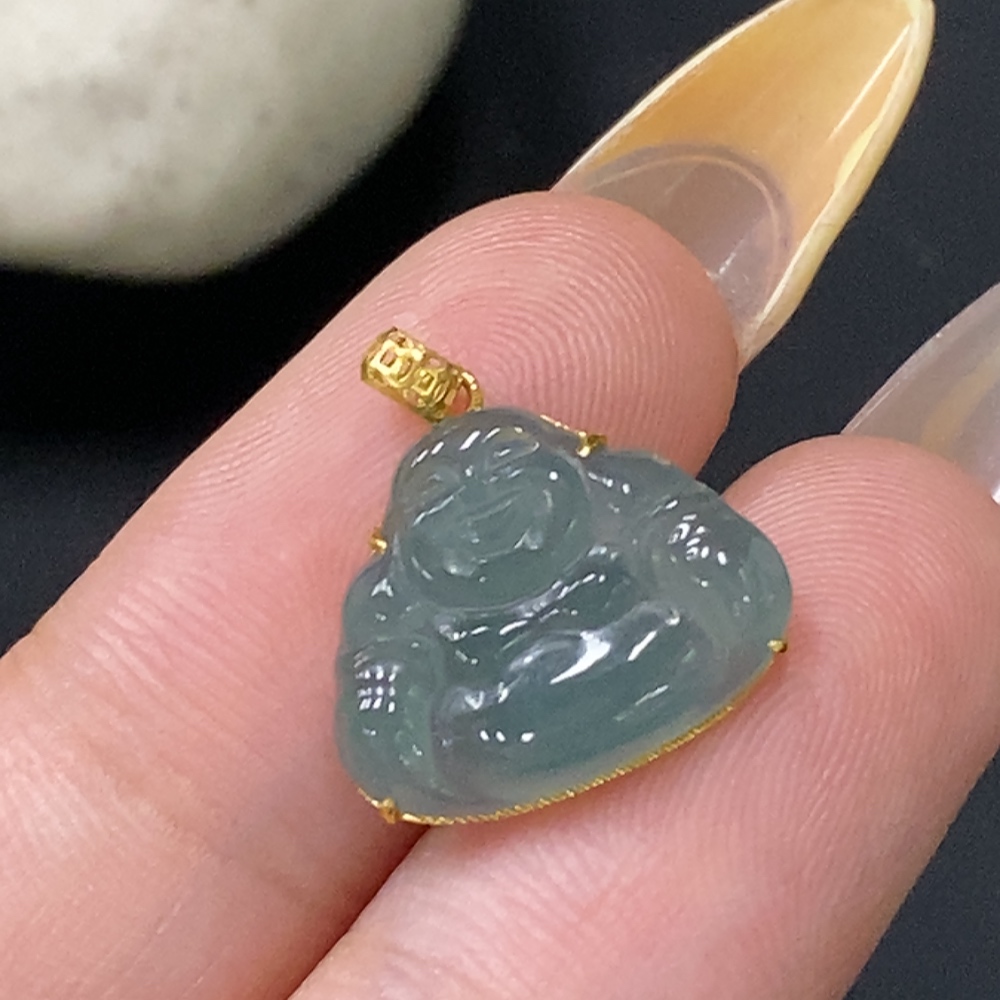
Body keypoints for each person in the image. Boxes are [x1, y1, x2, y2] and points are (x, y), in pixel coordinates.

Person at [2, 193, 999, 999]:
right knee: (471, 728)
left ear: (569, 462)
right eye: (448, 501)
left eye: (505, 479)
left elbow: (704, 540)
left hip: (646, 636)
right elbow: (384, 712)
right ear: (399, 534)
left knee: (688, 618)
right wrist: (396, 695)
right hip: (500, 708)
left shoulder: (617, 489)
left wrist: (701, 558)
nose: (482, 508)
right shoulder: (394, 593)